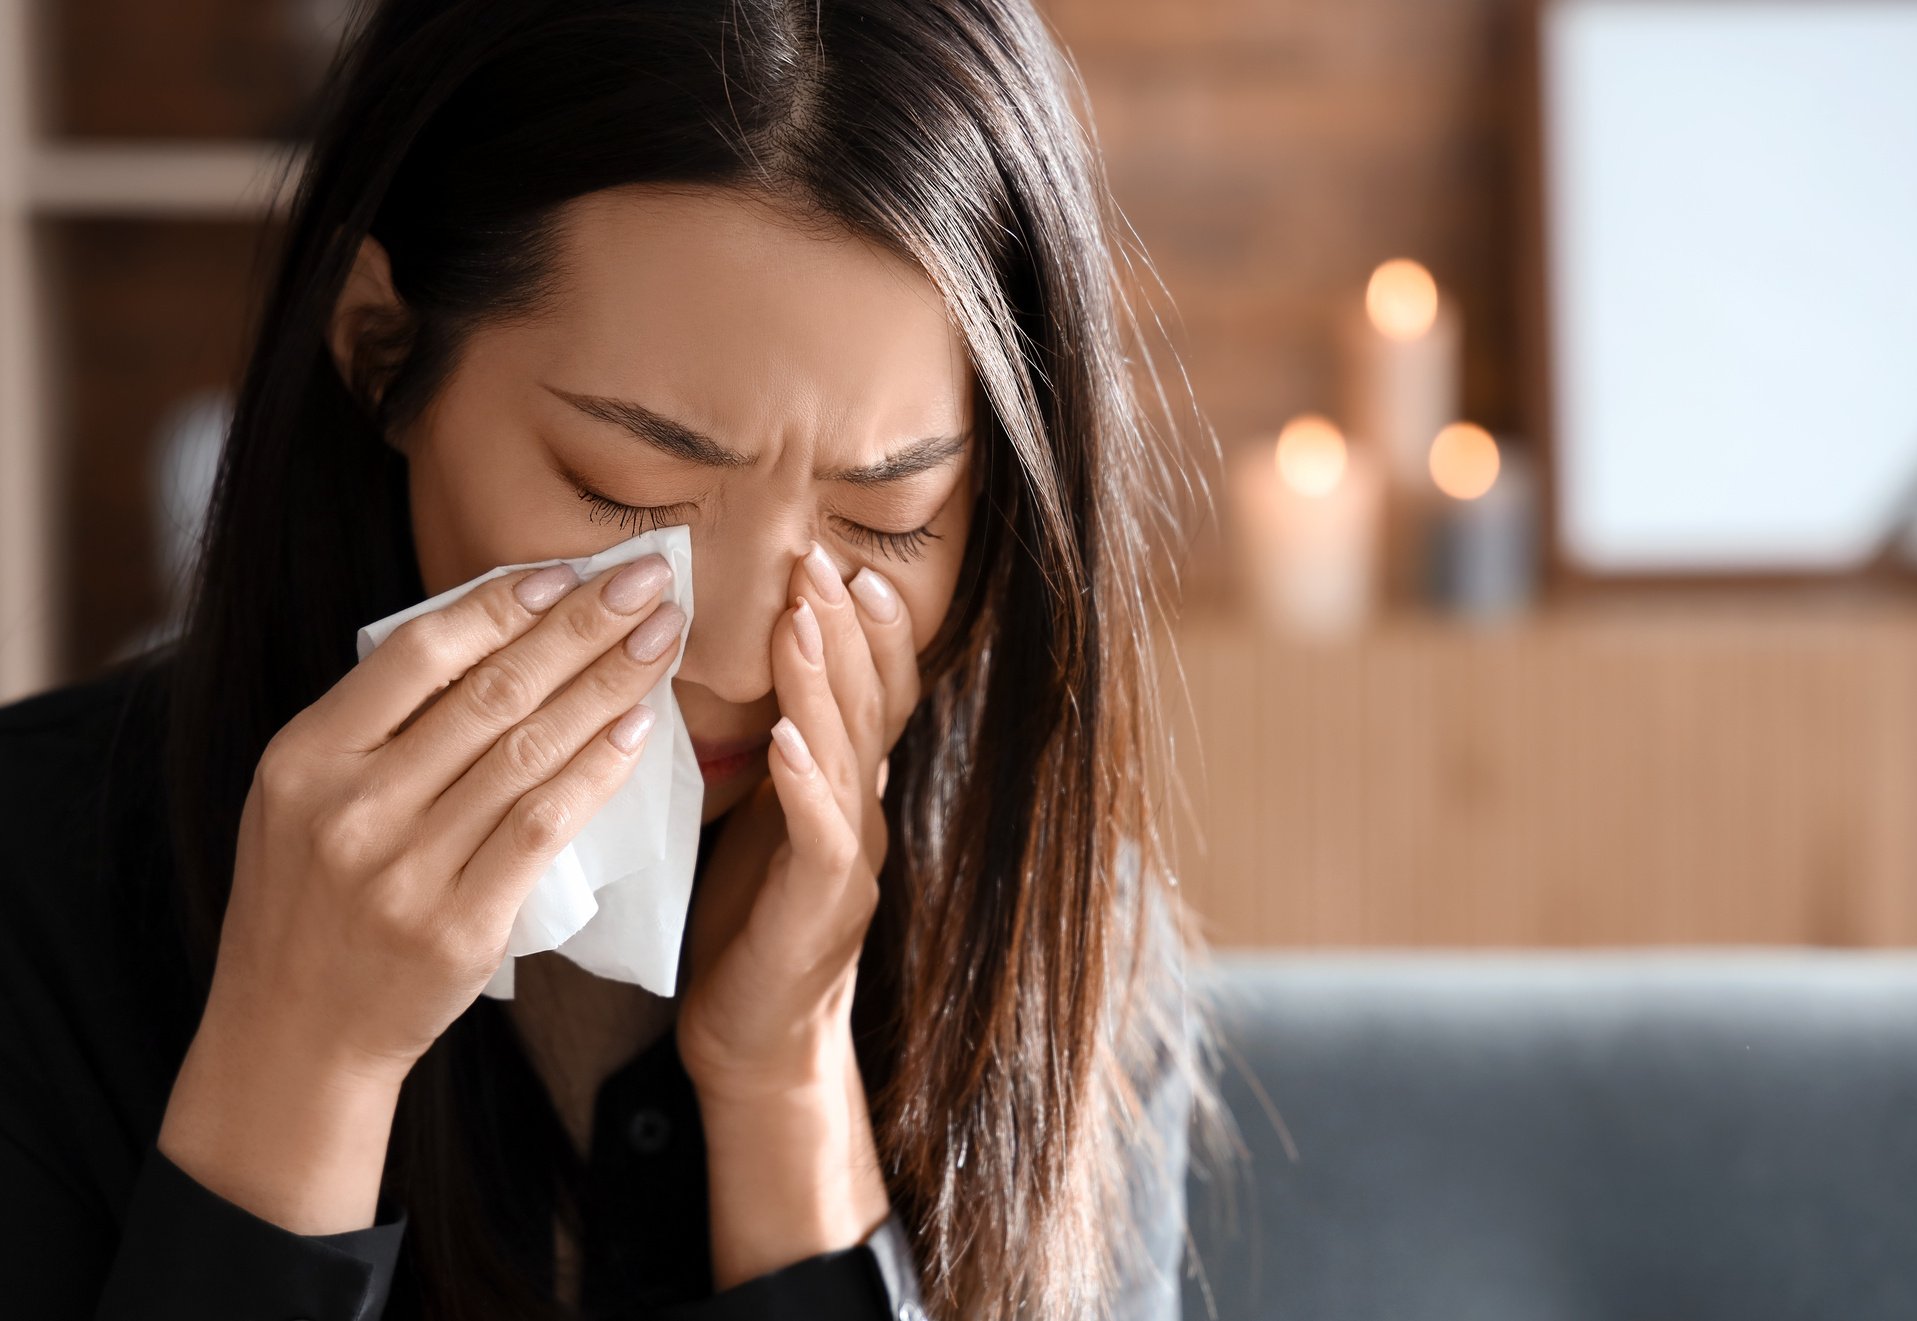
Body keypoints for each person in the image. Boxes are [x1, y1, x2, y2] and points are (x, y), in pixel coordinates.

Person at [0, 0, 1232, 1317]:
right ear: (379, 352)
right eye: (626, 486)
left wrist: (785, 1082)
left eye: (884, 515)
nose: (741, 656)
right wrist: (304, 1064)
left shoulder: (1042, 926)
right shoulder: (37, 885)